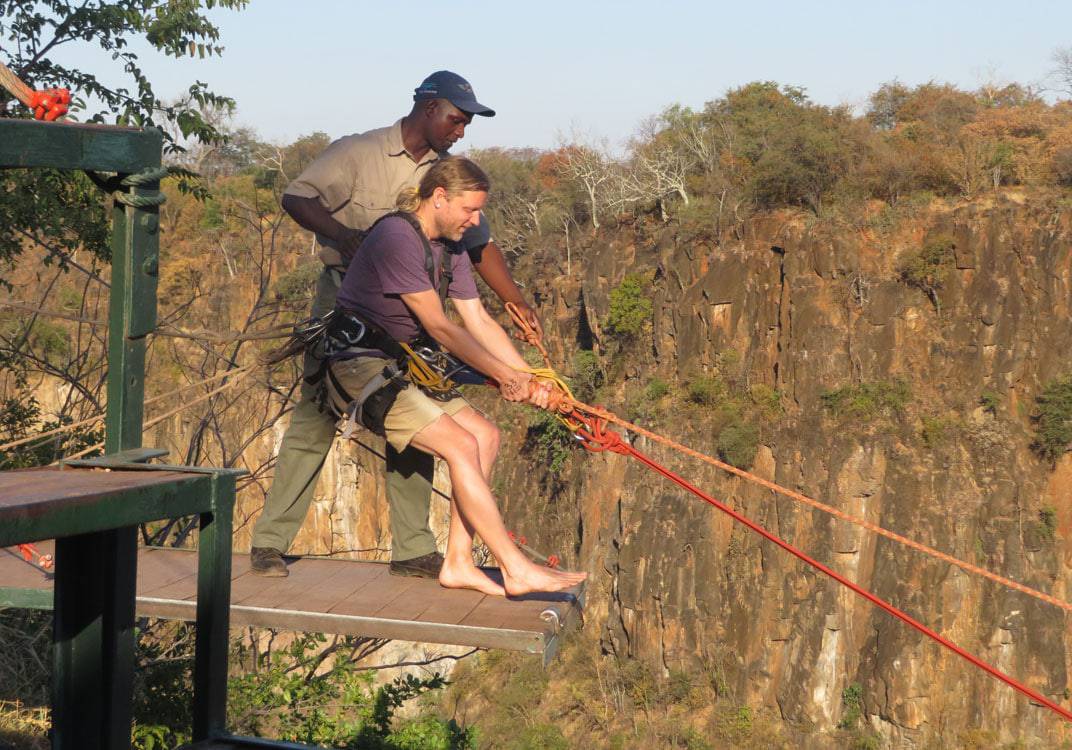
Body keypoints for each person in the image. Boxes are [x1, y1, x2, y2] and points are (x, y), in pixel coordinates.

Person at [251, 71, 543, 578]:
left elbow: (478, 247)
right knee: (317, 415)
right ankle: (271, 542)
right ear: (429, 108)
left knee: (416, 414)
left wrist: (514, 300)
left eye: (467, 122)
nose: (461, 130)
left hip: (414, 314)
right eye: (456, 118)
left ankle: (412, 549)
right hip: (347, 302)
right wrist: (345, 237)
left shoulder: (451, 178)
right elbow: (297, 197)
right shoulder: (361, 152)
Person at [324, 156, 586, 595]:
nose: (476, 220)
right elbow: (441, 327)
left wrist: (533, 379)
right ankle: (514, 567)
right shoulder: (395, 237)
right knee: (462, 445)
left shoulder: (451, 247)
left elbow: (478, 319)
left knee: (485, 436)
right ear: (439, 197)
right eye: (470, 209)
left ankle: (459, 562)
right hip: (359, 363)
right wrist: (506, 378)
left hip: (404, 363)